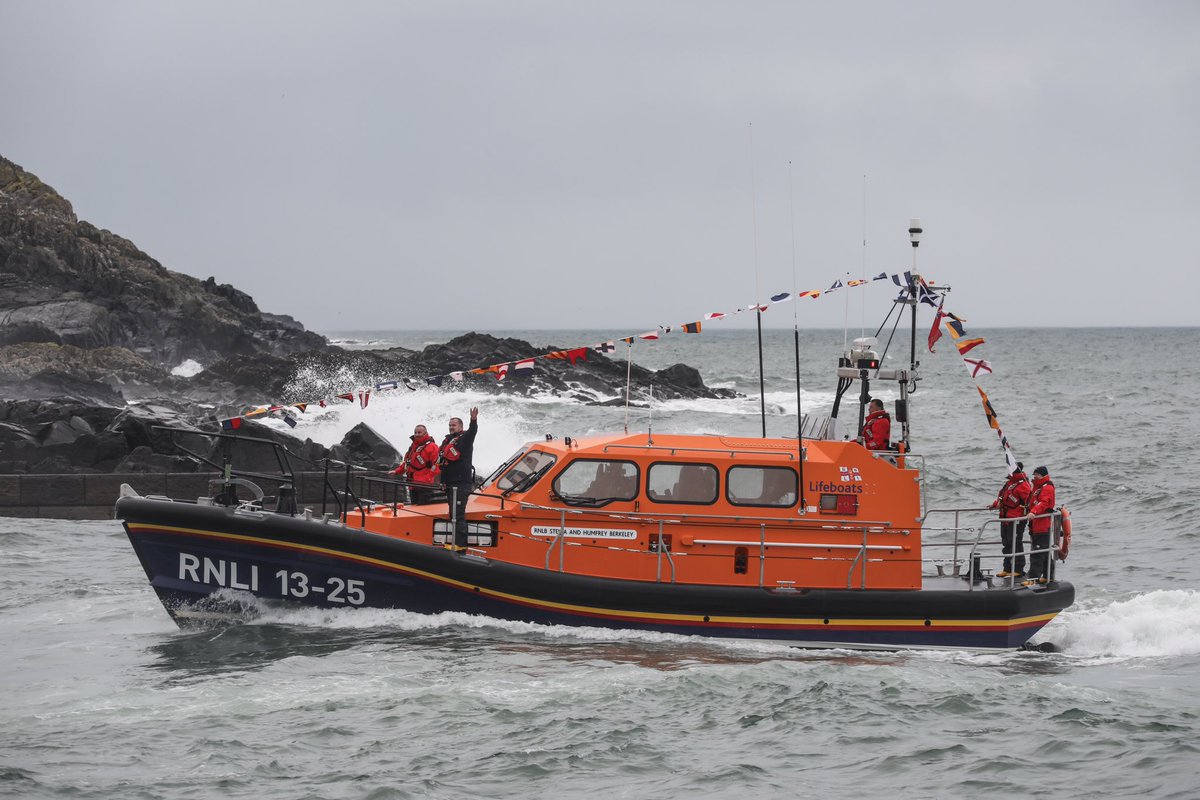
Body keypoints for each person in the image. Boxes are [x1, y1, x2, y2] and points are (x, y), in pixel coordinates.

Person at [440, 407, 479, 548]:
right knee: (452, 514)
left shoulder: (465, 439)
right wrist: (442, 482)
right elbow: (444, 463)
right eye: (450, 425)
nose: (451, 427)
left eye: (453, 425)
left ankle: (461, 545)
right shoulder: (448, 441)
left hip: (461, 483)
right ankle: (454, 542)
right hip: (450, 482)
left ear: (460, 427)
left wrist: (473, 420)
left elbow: (472, 432)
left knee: (458, 515)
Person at [991, 462, 1032, 578]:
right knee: (1006, 543)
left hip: (1016, 519)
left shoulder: (1023, 485)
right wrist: (994, 505)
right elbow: (1002, 498)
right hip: (1005, 518)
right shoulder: (1009, 483)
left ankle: (1018, 569)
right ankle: (1007, 568)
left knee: (1015, 543)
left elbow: (1028, 501)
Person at [1024, 465, 1057, 585]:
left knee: (1037, 553)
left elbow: (1044, 503)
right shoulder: (1037, 488)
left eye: (1037, 475)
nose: (1035, 477)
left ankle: (1033, 577)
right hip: (1035, 525)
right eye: (1034, 475)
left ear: (1043, 475)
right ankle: (1049, 575)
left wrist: (1034, 512)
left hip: (1042, 525)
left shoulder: (1047, 488)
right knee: (1044, 552)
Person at [392, 424, 440, 504]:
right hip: (412, 485)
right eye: (415, 432)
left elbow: (437, 465)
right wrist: (397, 471)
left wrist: (428, 478)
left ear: (425, 433)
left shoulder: (432, 446)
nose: (417, 434)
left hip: (425, 486)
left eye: (419, 432)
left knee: (424, 509)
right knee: (414, 508)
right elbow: (407, 462)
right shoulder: (413, 447)